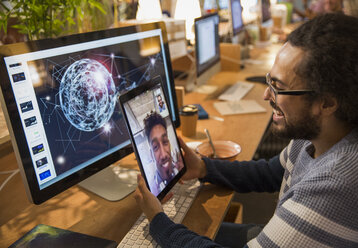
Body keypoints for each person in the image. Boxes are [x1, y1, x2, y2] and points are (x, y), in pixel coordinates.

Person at [135, 13, 358, 247]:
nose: (266, 94)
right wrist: (203, 167)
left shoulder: (333, 185)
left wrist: (158, 221)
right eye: (269, 81)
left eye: (278, 87)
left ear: (327, 103)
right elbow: (272, 172)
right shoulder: (319, 134)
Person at [143, 111, 183, 195]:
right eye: (155, 147)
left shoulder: (180, 169)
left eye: (165, 142)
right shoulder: (152, 192)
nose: (164, 155)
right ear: (151, 154)